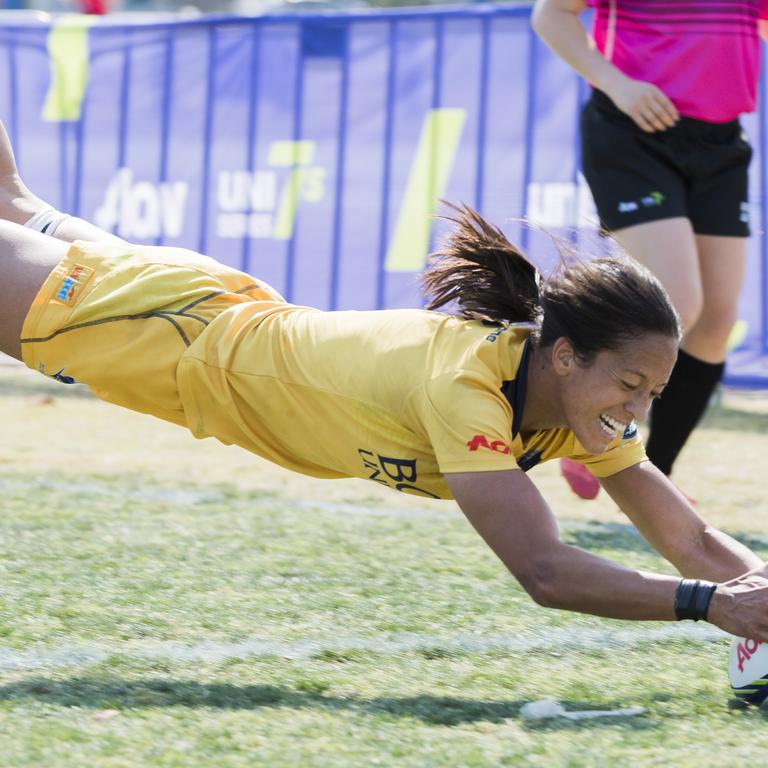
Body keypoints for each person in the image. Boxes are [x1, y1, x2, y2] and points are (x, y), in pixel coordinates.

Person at [2, 121, 768, 643]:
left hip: (206, 306)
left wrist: (754, 596)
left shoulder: (577, 400)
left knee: (9, 196)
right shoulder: (467, 386)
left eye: (652, 396)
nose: (635, 412)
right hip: (141, 330)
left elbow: (691, 539)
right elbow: (544, 570)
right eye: (630, 384)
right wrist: (710, 608)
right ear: (566, 355)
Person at [532, 0, 768, 502]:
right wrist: (618, 84)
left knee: (715, 325)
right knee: (677, 303)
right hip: (631, 132)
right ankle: (573, 428)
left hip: (722, 143)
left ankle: (653, 478)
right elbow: (551, 14)